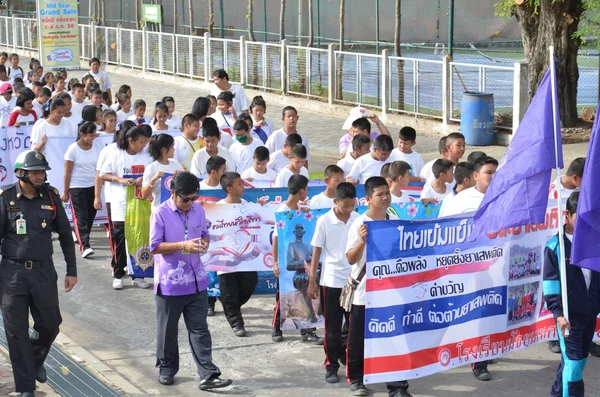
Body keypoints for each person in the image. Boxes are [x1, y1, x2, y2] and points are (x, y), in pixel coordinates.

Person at [0, 150, 77, 397]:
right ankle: (26, 388)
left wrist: (72, 271)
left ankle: (34, 360)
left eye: (42, 171)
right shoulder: (6, 198)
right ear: (21, 173)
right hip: (12, 274)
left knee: (50, 324)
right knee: (16, 333)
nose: (40, 176)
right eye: (35, 172)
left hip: (43, 272)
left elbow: (66, 235)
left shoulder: (51, 198)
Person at [149, 171, 233, 390]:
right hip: (170, 283)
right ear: (172, 193)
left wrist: (204, 243)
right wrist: (182, 245)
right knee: (167, 330)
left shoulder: (198, 210)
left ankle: (208, 373)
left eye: (193, 198)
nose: (189, 203)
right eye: (184, 199)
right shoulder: (160, 213)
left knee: (200, 330)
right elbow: (154, 246)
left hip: (197, 280)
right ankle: (167, 368)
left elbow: (204, 233)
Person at [345, 176, 412, 397]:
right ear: (367, 199)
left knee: (395, 339)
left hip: (390, 291)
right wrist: (362, 241)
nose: (385, 197)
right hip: (365, 293)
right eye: (379, 194)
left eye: (387, 193)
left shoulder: (393, 219)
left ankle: (398, 386)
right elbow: (351, 259)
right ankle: (357, 379)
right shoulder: (359, 223)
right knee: (359, 341)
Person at [544, 191, 600, 397]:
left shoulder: (596, 241)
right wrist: (558, 314)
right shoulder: (554, 247)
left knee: (574, 363)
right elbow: (550, 286)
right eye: (581, 218)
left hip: (589, 314)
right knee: (574, 367)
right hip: (568, 319)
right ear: (567, 215)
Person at [307, 182, 359, 384]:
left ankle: (350, 361)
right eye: (344, 205)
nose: (347, 209)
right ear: (335, 201)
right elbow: (316, 252)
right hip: (332, 281)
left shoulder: (358, 219)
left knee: (354, 327)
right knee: (332, 328)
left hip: (354, 281)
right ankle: (331, 365)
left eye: (351, 205)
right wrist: (313, 281)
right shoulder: (324, 221)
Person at [99, 124, 153, 290]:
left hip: (140, 204)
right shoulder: (116, 154)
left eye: (145, 142)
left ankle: (138, 274)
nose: (143, 146)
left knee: (139, 237)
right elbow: (103, 174)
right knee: (120, 239)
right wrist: (121, 180)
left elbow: (153, 173)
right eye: (141, 142)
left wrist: (143, 178)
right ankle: (118, 273)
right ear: (131, 140)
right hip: (120, 203)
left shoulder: (146, 156)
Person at [271, 174, 322, 344]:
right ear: (302, 191)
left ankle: (307, 330)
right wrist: (275, 262)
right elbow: (276, 239)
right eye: (306, 189)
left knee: (311, 293)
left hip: (305, 271)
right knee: (282, 296)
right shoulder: (282, 212)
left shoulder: (301, 211)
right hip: (290, 268)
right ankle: (276, 327)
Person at [215, 172, 258, 337]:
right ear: (229, 188)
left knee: (249, 284)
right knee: (229, 289)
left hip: (245, 257)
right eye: (240, 183)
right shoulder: (217, 207)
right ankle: (236, 322)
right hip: (225, 258)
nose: (243, 186)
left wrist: (261, 207)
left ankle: (228, 303)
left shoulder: (247, 205)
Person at [62, 121, 102, 258]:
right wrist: (65, 192)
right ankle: (84, 245)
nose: (92, 137)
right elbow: (67, 173)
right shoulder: (72, 149)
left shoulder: (97, 147)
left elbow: (99, 169)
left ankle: (80, 234)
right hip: (77, 186)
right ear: (82, 134)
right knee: (82, 217)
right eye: (90, 135)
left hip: (92, 185)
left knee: (91, 214)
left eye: (94, 134)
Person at [142, 134, 184, 210]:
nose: (174, 149)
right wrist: (154, 179)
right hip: (159, 209)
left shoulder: (176, 164)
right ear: (164, 149)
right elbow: (144, 195)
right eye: (172, 147)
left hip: (177, 209)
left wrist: (181, 176)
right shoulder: (151, 168)